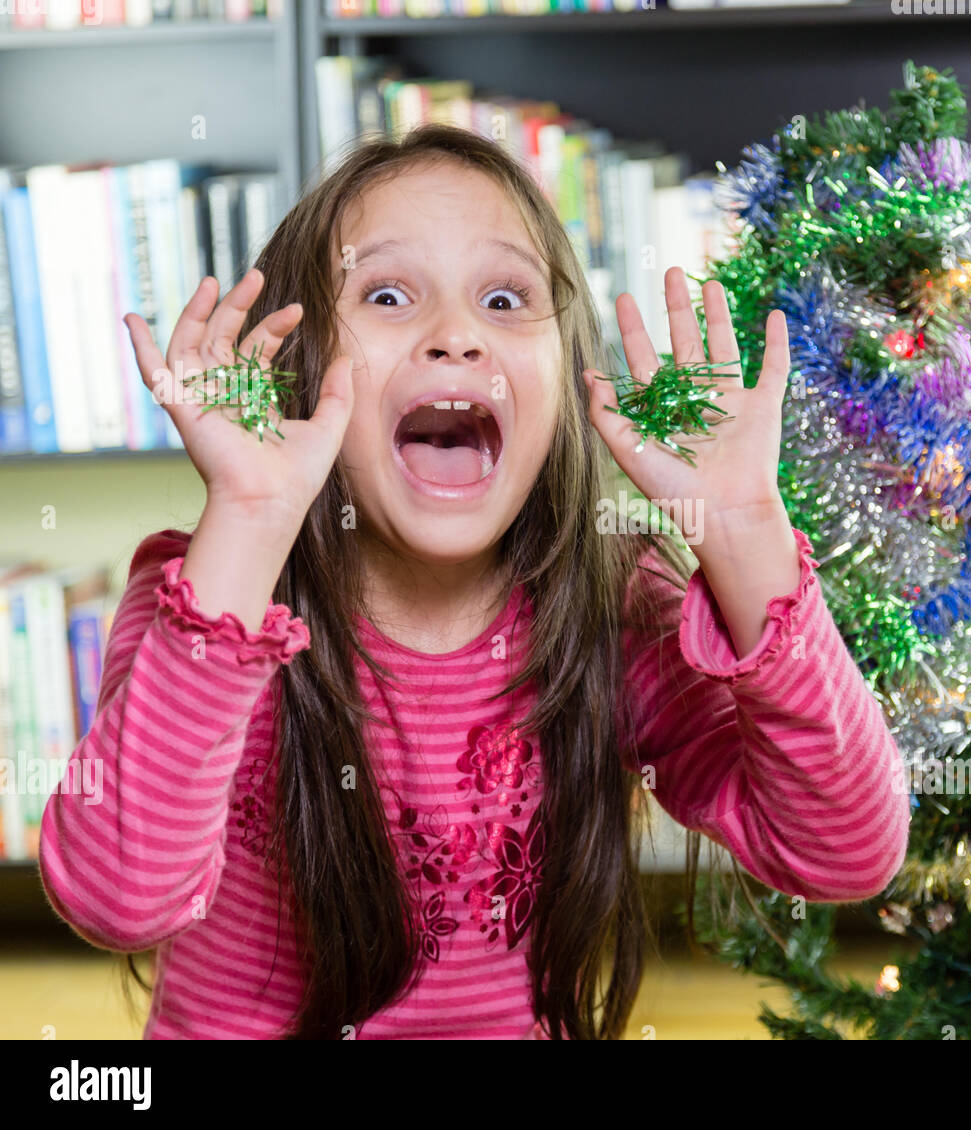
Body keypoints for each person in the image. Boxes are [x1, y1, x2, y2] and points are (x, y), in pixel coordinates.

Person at [38, 123, 909, 1039]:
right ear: (298, 372)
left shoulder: (611, 604)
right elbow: (117, 904)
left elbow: (845, 854)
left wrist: (741, 530)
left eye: (503, 298)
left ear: (570, 387)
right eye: (386, 293)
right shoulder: (205, 601)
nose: (455, 335)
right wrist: (249, 521)